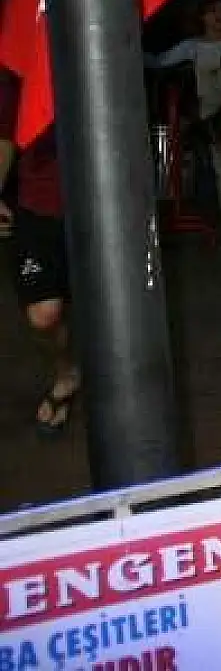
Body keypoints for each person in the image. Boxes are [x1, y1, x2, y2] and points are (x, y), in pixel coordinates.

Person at [0, 72, 78, 435]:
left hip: (101, 205)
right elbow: (5, 137)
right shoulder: (16, 71)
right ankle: (65, 372)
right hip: (38, 206)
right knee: (43, 315)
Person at [147, 0, 221, 246]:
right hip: (211, 117)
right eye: (213, 11)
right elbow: (158, 61)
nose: (219, 16)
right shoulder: (192, 46)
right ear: (202, 17)